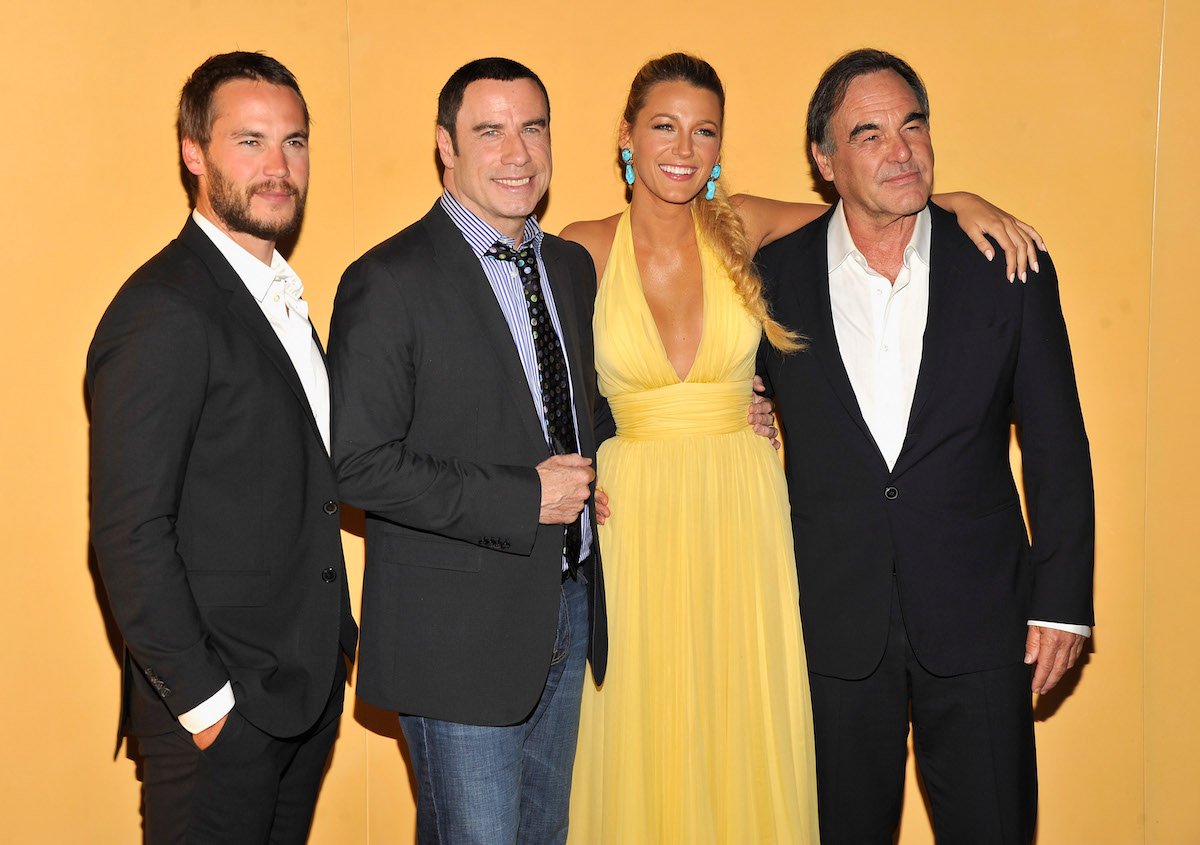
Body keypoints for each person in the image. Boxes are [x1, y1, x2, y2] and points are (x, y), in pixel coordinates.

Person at [561, 52, 1043, 844]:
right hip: (636, 520)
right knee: (646, 728)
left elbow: (871, 207)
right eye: (664, 126)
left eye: (705, 130)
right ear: (626, 135)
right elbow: (528, 364)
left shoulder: (742, 224)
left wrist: (957, 198)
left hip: (743, 517)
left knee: (743, 724)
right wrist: (573, 465)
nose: (684, 148)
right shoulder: (582, 247)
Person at [757, 48, 1094, 843]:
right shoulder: (771, 279)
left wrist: (1063, 603)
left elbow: (1057, 443)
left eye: (912, 124)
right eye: (867, 134)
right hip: (831, 624)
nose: (899, 149)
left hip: (982, 618)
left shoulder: (1005, 263)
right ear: (823, 159)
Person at [327, 58, 606, 844]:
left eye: (533, 127)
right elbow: (356, 462)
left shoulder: (570, 268)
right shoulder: (388, 279)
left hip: (570, 609)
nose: (518, 152)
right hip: (455, 639)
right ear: (446, 146)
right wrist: (524, 496)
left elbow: (580, 412)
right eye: (490, 130)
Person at [87, 51, 357, 843]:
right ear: (193, 152)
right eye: (250, 142)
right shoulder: (163, 310)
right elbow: (128, 532)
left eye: (295, 142)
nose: (279, 167)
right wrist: (210, 712)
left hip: (300, 698)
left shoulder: (278, 295)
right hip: (217, 721)